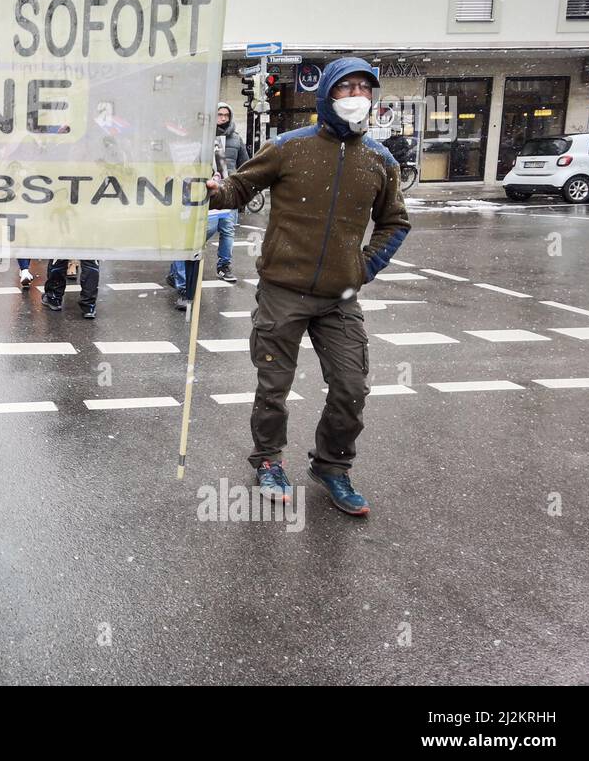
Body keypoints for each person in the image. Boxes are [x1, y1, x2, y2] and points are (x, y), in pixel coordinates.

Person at [207, 57, 411, 517]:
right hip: (282, 290)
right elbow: (239, 189)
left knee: (351, 386)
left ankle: (333, 466)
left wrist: (364, 267)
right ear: (327, 95)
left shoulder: (380, 160)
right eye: (347, 88)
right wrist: (212, 191)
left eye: (365, 89)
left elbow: (395, 221)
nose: (358, 96)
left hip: (340, 298)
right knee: (273, 386)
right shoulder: (288, 147)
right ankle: (268, 461)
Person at [167, 102, 248, 289]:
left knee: (228, 230)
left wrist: (239, 186)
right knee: (200, 234)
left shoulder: (236, 139)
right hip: (207, 191)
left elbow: (245, 163)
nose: (223, 118)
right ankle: (179, 268)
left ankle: (224, 266)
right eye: (219, 115)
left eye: (226, 115)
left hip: (229, 191)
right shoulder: (203, 138)